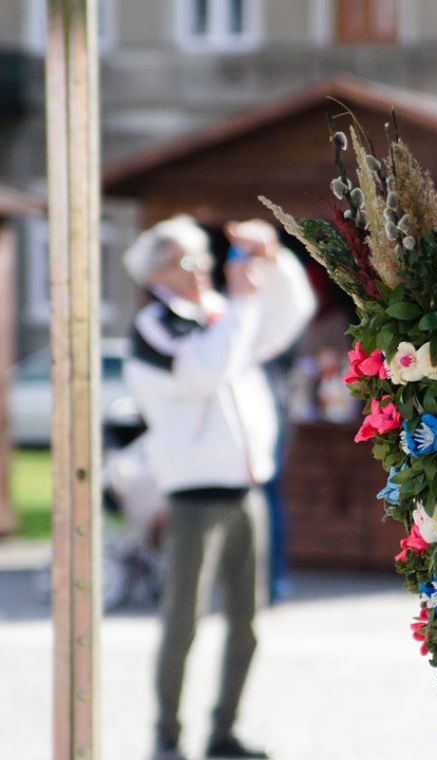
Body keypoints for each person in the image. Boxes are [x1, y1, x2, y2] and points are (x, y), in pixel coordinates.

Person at [122, 215, 316, 760]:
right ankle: (167, 737)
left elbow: (290, 314)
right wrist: (242, 304)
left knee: (247, 625)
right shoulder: (155, 327)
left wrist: (273, 259)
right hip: (193, 498)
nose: (203, 268)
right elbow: (204, 371)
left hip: (244, 490)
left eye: (203, 257)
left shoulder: (222, 317)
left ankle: (223, 731)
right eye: (189, 260)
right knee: (182, 622)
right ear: (158, 271)